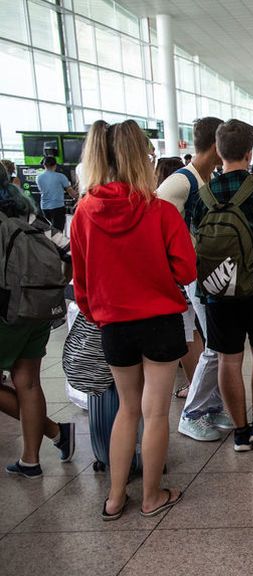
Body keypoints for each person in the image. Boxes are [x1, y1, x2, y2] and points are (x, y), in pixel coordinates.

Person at [71, 120, 195, 519]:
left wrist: (99, 313)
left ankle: (114, 496)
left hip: (113, 325)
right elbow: (187, 269)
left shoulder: (84, 211)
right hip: (159, 320)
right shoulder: (158, 210)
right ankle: (152, 496)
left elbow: (81, 279)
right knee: (155, 411)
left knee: (126, 409)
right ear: (140, 157)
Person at [190, 120, 253, 453]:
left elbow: (195, 241)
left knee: (228, 359)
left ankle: (240, 432)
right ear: (249, 153)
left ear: (218, 151)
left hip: (216, 291)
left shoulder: (201, 195)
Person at [155, 117, 233, 441]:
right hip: (190, 278)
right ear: (215, 146)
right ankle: (193, 413)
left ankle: (210, 407)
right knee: (216, 344)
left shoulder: (202, 179)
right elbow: (158, 233)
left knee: (215, 343)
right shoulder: (180, 183)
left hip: (202, 274)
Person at [0, 163, 76, 478]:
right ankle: (31, 458)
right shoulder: (28, 214)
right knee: (28, 382)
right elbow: (68, 251)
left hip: (6, 313)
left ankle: (55, 433)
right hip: (38, 308)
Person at [37, 156, 75, 233]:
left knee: (49, 230)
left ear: (44, 165)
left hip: (44, 207)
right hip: (57, 207)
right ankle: (56, 245)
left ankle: (50, 244)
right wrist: (78, 197)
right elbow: (71, 192)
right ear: (55, 165)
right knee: (58, 231)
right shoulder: (61, 176)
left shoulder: (38, 177)